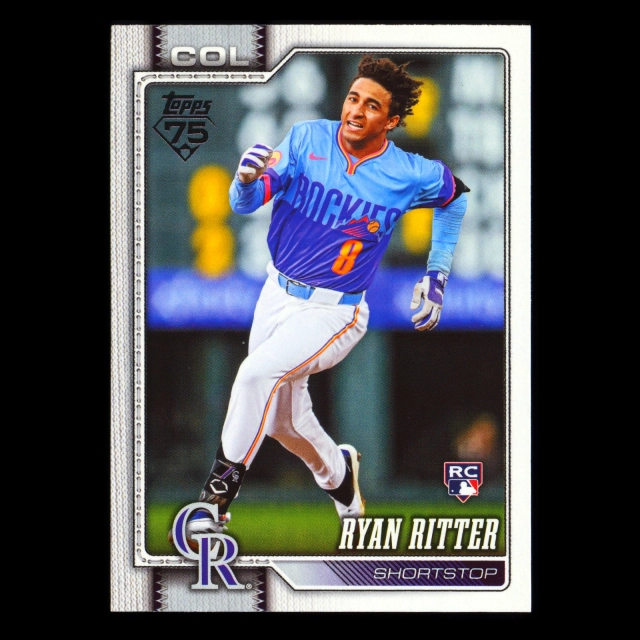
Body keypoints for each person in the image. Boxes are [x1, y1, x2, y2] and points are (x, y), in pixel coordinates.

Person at [173, 54, 470, 545]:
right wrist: (243, 182)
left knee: (255, 375)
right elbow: (249, 201)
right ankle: (340, 474)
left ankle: (214, 502)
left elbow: (455, 196)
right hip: (276, 292)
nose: (356, 110)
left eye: (372, 105)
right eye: (353, 98)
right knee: (283, 421)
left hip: (335, 309)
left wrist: (437, 272)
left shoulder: (407, 171)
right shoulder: (307, 137)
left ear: (392, 121)